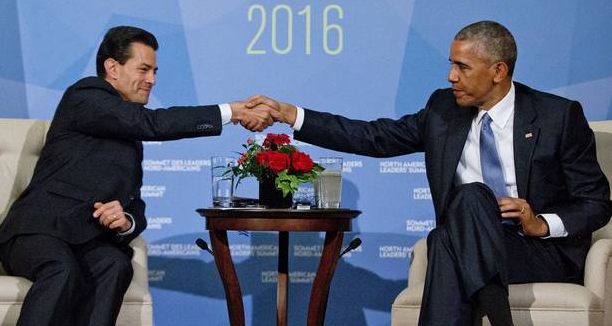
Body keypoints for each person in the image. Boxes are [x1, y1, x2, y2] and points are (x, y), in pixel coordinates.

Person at [246, 21, 612, 325]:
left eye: (463, 67)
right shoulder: (443, 109)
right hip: (470, 242)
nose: (451, 76)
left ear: (498, 71)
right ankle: (499, 312)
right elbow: (373, 137)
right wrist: (291, 114)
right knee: (464, 209)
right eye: (451, 64)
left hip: (535, 250)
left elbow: (596, 202)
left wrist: (541, 223)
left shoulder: (557, 116)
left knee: (449, 235)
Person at [0, 26, 277, 326]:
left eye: (154, 71)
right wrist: (232, 111)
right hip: (38, 232)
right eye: (143, 69)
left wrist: (125, 220)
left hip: (86, 238)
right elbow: (152, 122)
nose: (151, 80)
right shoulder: (86, 95)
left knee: (115, 264)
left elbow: (134, 204)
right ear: (111, 68)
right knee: (62, 270)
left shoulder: (130, 138)